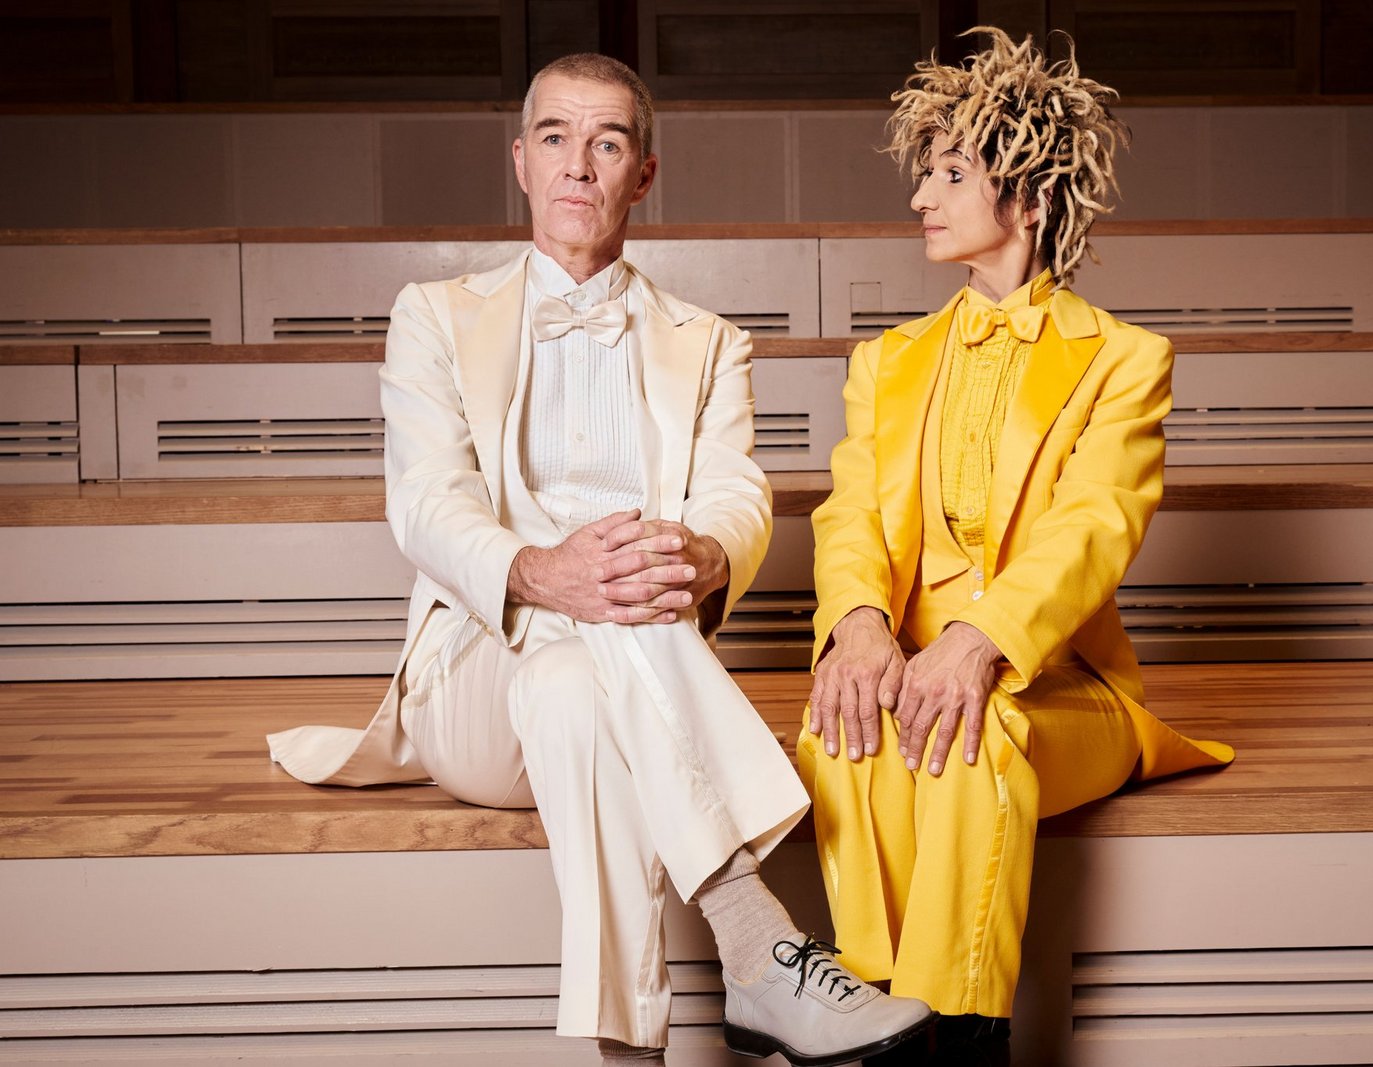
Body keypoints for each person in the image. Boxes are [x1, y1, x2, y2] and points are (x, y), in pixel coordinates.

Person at [267, 53, 930, 1067]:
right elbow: (428, 504)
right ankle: (760, 943)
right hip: (476, 684)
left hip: (603, 691)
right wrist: (544, 573)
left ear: (642, 174)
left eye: (606, 142)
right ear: (522, 163)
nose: (578, 164)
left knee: (584, 667)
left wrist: (704, 553)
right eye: (555, 138)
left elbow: (735, 495)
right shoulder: (433, 316)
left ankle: (636, 1051)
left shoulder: (709, 342)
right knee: (613, 599)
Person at [800, 28, 1235, 1064]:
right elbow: (850, 511)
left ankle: (957, 1042)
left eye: (952, 173)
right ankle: (874, 1016)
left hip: (1060, 685)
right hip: (908, 665)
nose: (921, 196)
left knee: (970, 731)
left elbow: (1095, 525)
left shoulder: (1125, 361)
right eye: (924, 173)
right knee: (840, 726)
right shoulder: (885, 361)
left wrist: (981, 639)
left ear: (1029, 198)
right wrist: (859, 626)